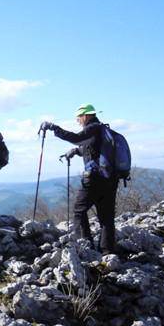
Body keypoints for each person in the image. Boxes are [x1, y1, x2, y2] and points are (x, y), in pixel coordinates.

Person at [40, 103, 119, 254]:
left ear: (86, 115)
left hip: (95, 178)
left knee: (79, 210)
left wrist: (53, 127)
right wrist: (76, 151)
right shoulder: (102, 129)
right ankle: (107, 252)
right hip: (110, 178)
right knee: (106, 217)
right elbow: (93, 149)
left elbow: (76, 138)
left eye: (79, 117)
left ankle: (85, 245)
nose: (78, 121)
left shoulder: (92, 128)